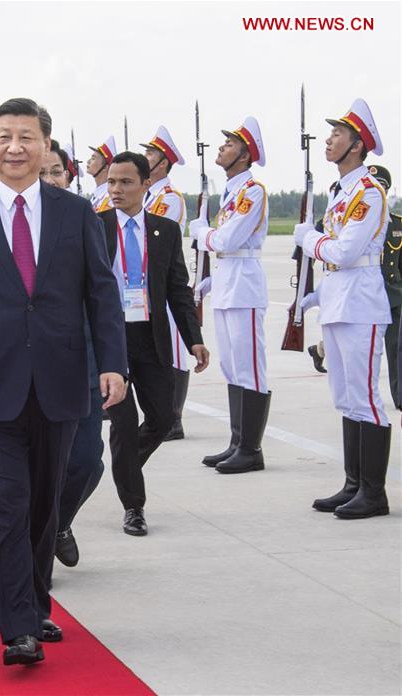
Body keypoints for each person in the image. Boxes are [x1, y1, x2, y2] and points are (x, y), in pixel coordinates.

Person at [0, 98, 127, 666]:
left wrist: (112, 363)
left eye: (26, 137)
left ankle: (35, 601)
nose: (14, 147)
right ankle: (17, 626)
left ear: (45, 145)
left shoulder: (74, 212)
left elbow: (100, 292)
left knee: (43, 504)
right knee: (9, 503)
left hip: (62, 379)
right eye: (3, 136)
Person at [102, 152, 209, 535]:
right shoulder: (94, 227)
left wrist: (194, 339)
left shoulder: (164, 231)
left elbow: (178, 291)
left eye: (126, 182)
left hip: (151, 337)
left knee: (163, 418)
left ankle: (123, 466)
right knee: (124, 425)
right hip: (110, 340)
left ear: (146, 185)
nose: (116, 189)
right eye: (112, 181)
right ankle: (134, 506)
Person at [296, 98, 391, 519]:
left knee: (366, 398)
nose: (329, 140)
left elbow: (346, 250)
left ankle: (374, 493)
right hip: (338, 300)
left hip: (361, 303)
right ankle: (354, 484)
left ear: (356, 146)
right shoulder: (341, 193)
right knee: (346, 396)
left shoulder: (368, 192)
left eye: (337, 135)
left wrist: (308, 239)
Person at [188, 117, 270, 474]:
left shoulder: (252, 191)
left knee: (250, 368)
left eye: (230, 144)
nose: (222, 148)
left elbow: (226, 240)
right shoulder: (232, 193)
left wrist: (201, 232)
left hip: (244, 286)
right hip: (226, 283)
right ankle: (237, 442)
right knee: (233, 367)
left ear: (245, 154)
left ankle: (251, 449)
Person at [40, 140, 107, 568]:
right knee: (38, 469)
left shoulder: (86, 220)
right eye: (42, 172)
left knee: (87, 462)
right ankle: (38, 546)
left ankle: (59, 522)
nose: (50, 180)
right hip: (30, 367)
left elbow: (104, 296)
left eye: (56, 172)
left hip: (82, 361)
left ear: (70, 175)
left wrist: (113, 363)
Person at [140, 126, 192, 441]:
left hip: (162, 282)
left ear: (163, 163)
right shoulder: (150, 195)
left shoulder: (169, 199)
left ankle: (174, 417)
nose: (145, 158)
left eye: (150, 154)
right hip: (144, 284)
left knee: (174, 350)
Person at [370, 165, 402, 410]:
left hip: (392, 296)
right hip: (365, 296)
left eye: (381, 186)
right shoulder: (356, 220)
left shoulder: (398, 224)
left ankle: (400, 398)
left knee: (395, 349)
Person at [87, 137, 117, 213]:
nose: (88, 161)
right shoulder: (96, 194)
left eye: (93, 158)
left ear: (105, 168)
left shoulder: (110, 198)